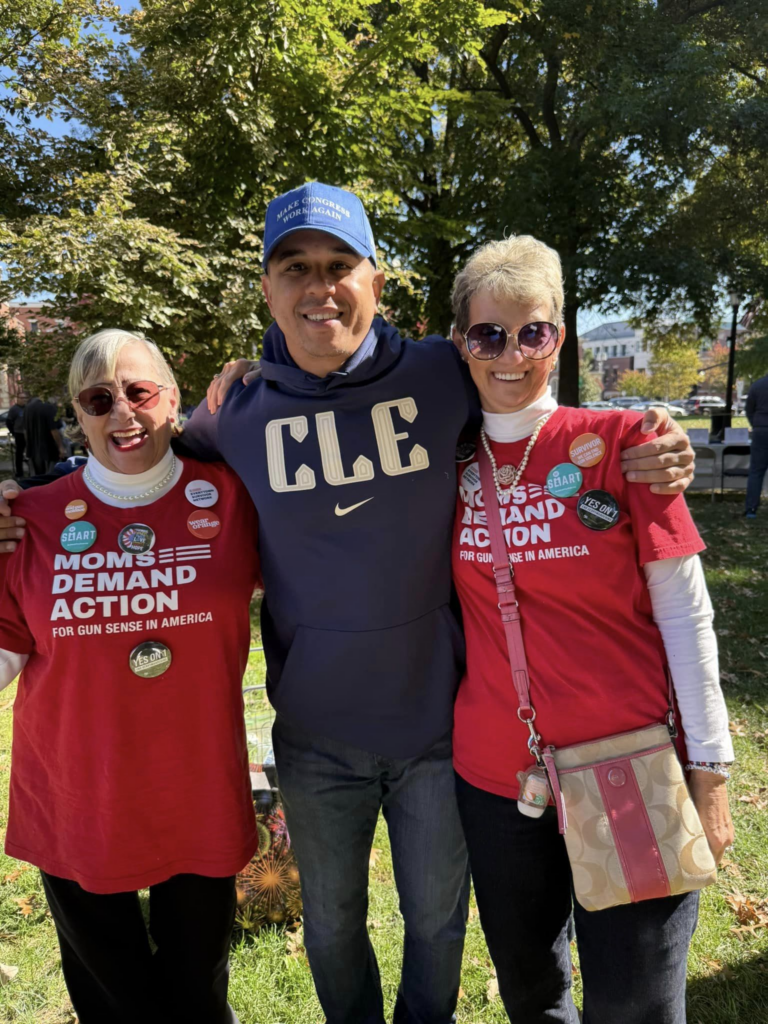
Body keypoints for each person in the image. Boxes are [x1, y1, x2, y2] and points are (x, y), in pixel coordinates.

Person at [0, 184, 697, 1024]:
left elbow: (531, 399)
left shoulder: (446, 373)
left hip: (439, 726)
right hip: (316, 736)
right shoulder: (236, 412)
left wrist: (647, 436)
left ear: (375, 281)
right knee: (331, 926)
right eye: (295, 268)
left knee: (437, 925)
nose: (317, 286)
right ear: (268, 289)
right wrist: (22, 520)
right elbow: (134, 471)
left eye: (339, 266)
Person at [447, 235, 734, 1024]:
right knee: (533, 994)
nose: (510, 354)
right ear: (461, 345)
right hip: (497, 780)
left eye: (531, 332)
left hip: (629, 764)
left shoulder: (627, 446)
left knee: (635, 1003)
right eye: (488, 335)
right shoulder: (440, 459)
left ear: (559, 337)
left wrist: (708, 766)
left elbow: (686, 611)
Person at [0, 329, 260, 1024]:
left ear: (173, 400)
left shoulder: (234, 500)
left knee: (197, 993)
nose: (123, 413)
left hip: (197, 792)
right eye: (97, 398)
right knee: (115, 1003)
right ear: (75, 415)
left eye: (140, 391)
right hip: (77, 800)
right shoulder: (31, 522)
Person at [23, 394, 66, 474]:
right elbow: (54, 430)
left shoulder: (28, 408)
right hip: (48, 449)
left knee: (37, 476)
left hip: (33, 449)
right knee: (50, 476)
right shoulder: (49, 407)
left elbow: (25, 430)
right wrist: (60, 447)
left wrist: (27, 445)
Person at [744, 373, 768, 517]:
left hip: (761, 430)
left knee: (756, 472)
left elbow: (749, 409)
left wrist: (756, 424)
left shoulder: (758, 385)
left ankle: (751, 509)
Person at [5, 393, 27, 477]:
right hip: (19, 433)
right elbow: (8, 422)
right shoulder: (14, 409)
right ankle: (19, 472)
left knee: (30, 452)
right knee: (19, 454)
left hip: (28, 434)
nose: (23, 400)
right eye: (21, 398)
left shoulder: (27, 408)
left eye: (25, 398)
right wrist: (13, 432)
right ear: (17, 399)